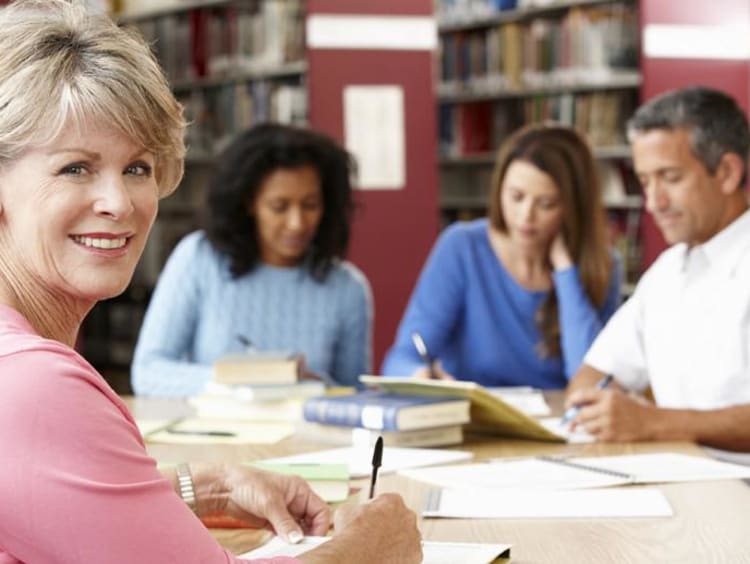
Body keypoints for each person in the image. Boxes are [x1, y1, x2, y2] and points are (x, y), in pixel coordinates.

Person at [0, 2, 421, 563]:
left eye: (138, 168)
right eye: (75, 167)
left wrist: (210, 485)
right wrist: (373, 548)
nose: (119, 202)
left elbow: (46, 500)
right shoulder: (33, 385)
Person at [565, 86, 750, 452]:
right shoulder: (667, 272)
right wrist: (598, 408)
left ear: (727, 172)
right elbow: (593, 375)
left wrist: (653, 422)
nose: (654, 202)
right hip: (681, 480)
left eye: (671, 178)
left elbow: (653, 423)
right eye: (645, 182)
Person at [131, 123, 372, 397]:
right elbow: (148, 372)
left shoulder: (347, 288)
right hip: (211, 436)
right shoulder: (199, 260)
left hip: (311, 438)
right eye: (279, 207)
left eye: (310, 205)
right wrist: (248, 380)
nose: (296, 223)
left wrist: (313, 384)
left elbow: (354, 394)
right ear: (249, 202)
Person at [382, 123, 622, 388]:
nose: (525, 216)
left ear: (573, 208)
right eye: (516, 196)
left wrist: (566, 273)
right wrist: (420, 377)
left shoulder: (603, 266)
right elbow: (401, 358)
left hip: (557, 426)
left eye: (546, 204)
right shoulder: (463, 248)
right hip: (474, 424)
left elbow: (590, 384)